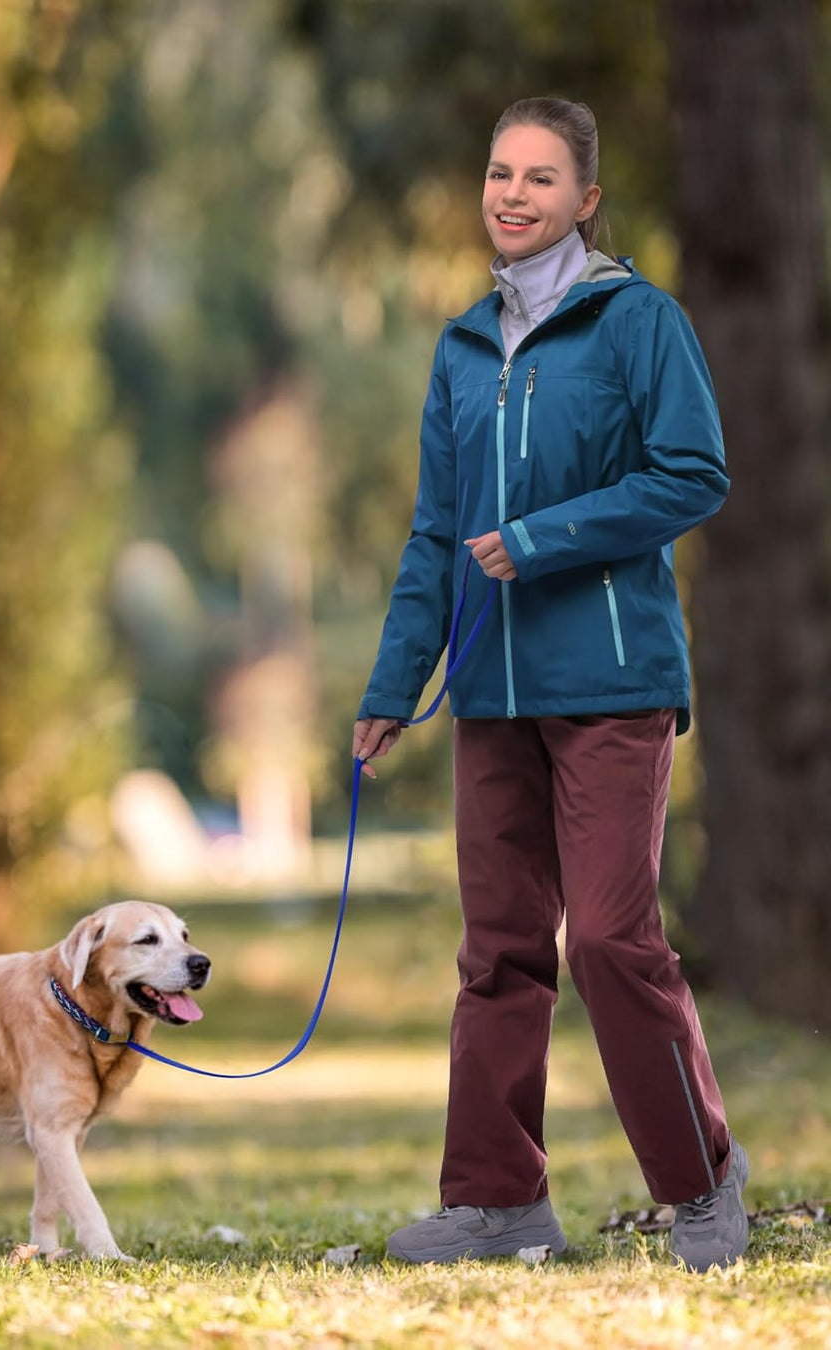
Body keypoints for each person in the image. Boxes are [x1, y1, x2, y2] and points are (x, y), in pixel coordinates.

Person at [353, 97, 748, 1272]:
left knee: (616, 942)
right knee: (500, 949)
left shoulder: (639, 323)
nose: (512, 194)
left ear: (586, 200)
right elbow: (434, 534)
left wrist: (542, 536)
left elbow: (695, 474)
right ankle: (495, 1202)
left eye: (539, 177)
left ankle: (703, 1183)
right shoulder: (464, 347)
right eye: (496, 173)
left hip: (615, 681)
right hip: (488, 691)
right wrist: (392, 683)